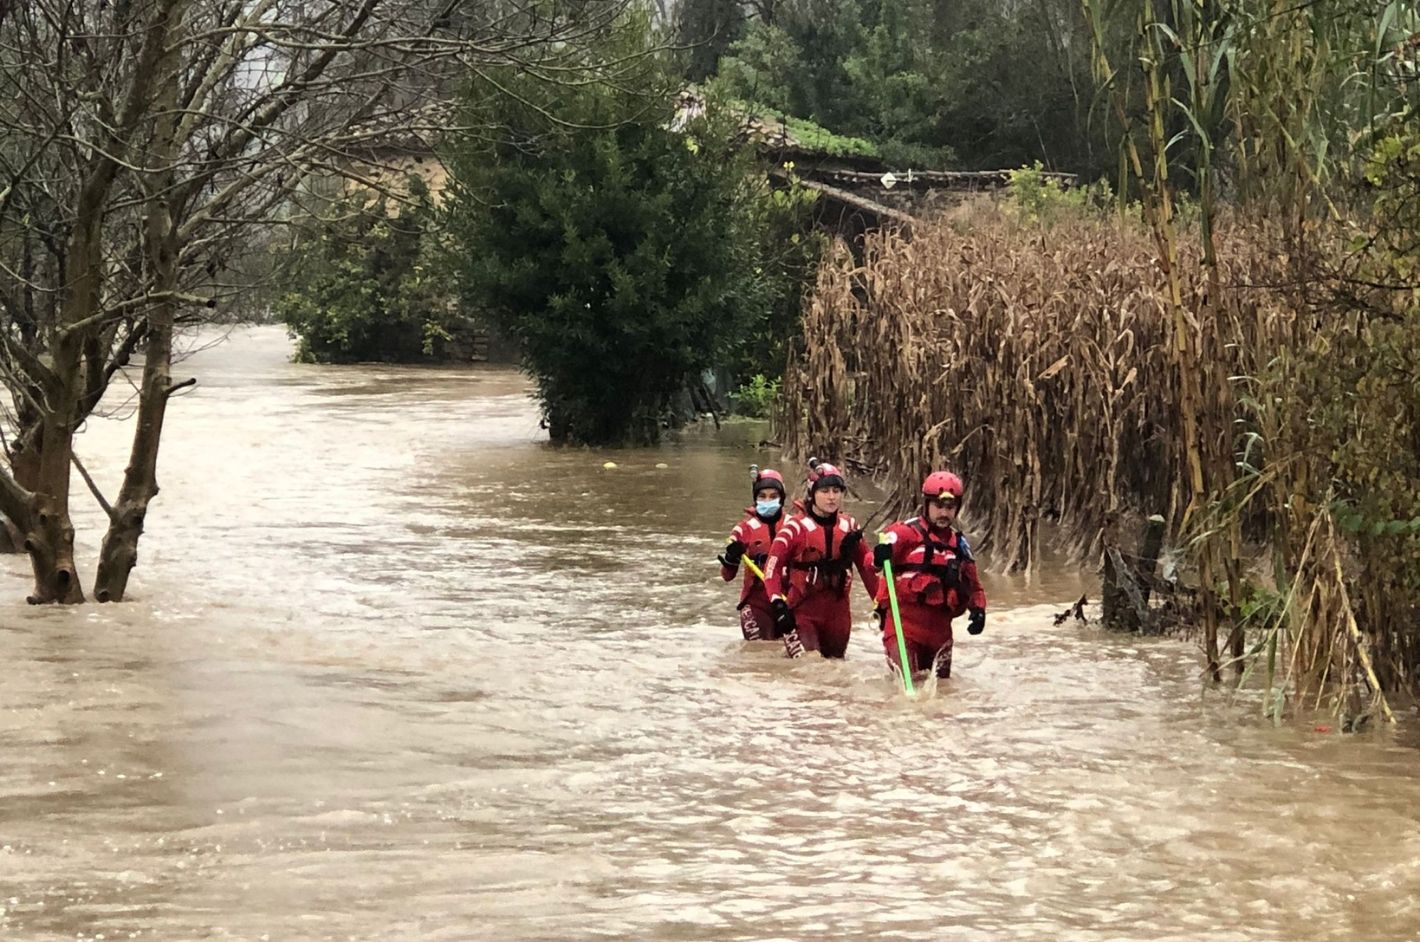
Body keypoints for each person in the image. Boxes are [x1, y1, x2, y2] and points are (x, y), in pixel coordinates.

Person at [873, 470, 987, 680]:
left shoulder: (960, 545)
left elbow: (974, 586)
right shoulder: (904, 533)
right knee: (907, 684)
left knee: (942, 691)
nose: (944, 513)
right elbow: (870, 562)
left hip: (941, 636)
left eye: (950, 507)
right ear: (926, 504)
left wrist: (979, 609)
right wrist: (878, 557)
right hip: (904, 630)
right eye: (938, 506)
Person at [763, 460, 879, 658]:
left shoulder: (850, 527)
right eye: (825, 491)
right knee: (809, 666)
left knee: (835, 670)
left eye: (836, 491)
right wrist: (777, 603)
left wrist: (881, 604)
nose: (831, 497)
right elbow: (771, 569)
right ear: (812, 493)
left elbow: (866, 567)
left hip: (839, 616)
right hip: (802, 614)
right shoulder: (794, 528)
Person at [718, 467, 788, 641]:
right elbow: (727, 576)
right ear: (755, 499)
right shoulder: (743, 530)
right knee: (760, 651)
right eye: (762, 496)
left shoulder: (794, 526)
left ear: (782, 498)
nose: (767, 501)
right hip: (756, 602)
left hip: (788, 601)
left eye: (773, 496)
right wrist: (731, 558)